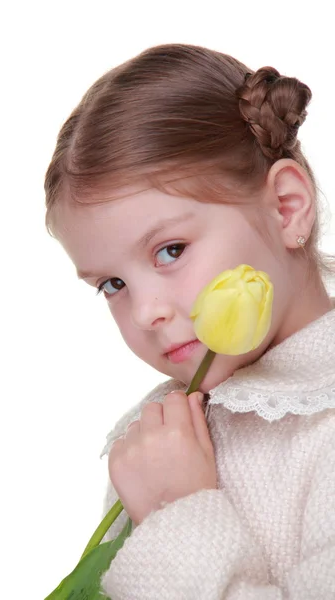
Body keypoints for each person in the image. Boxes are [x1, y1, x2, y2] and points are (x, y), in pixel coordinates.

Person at [44, 44, 335, 599]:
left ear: (286, 208)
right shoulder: (161, 433)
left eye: (171, 250)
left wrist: (177, 511)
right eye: (113, 284)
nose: (147, 311)